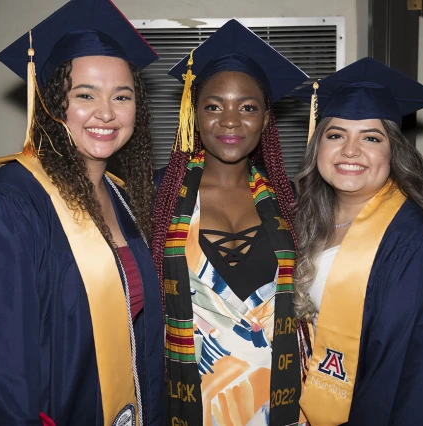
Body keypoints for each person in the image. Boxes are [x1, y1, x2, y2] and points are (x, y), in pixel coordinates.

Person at [0, 0, 164, 425]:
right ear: (50, 103)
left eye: (122, 96)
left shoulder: (123, 198)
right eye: (85, 95)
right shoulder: (8, 206)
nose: (106, 112)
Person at [292, 57, 423, 426]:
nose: (350, 151)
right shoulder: (309, 219)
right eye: (336, 134)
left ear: (394, 151)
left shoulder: (417, 242)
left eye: (371, 138)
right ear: (318, 148)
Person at [151, 19, 309, 426]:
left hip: (280, 400)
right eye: (214, 105)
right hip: (191, 401)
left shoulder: (289, 201)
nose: (230, 121)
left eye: (248, 107)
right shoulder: (160, 197)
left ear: (266, 118)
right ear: (194, 114)